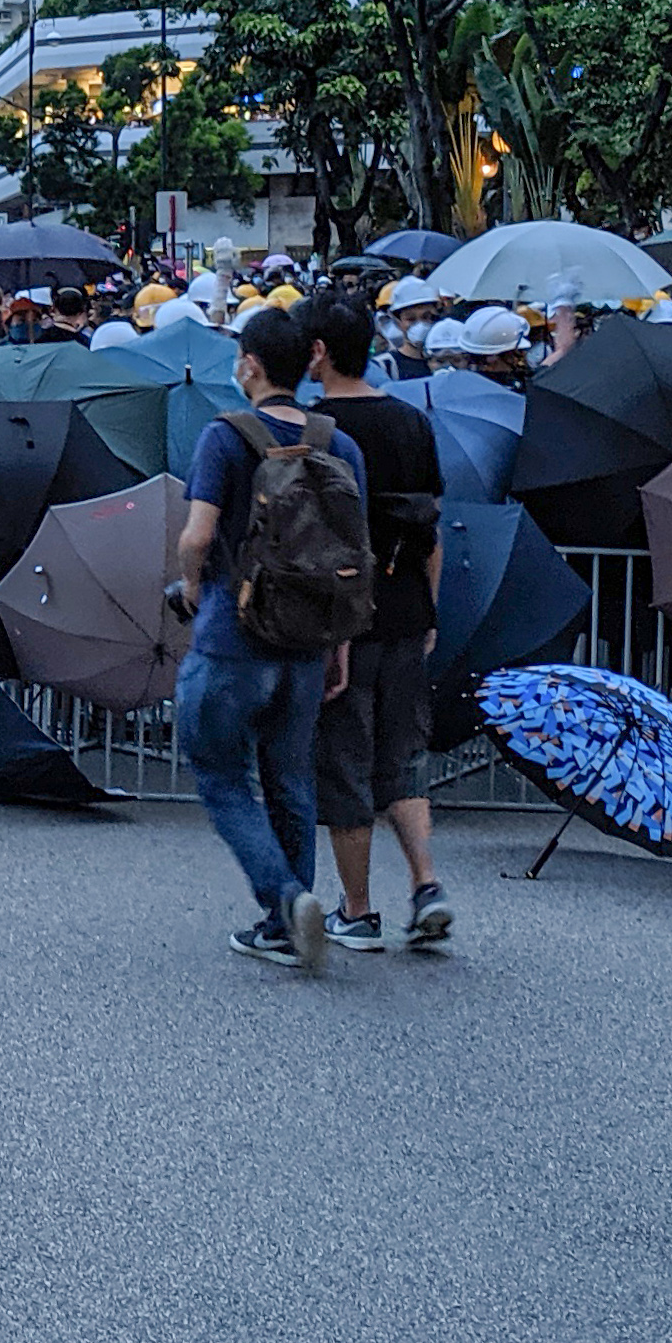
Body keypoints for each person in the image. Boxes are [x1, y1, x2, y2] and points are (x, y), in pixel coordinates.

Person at [160, 305, 371, 975]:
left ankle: (282, 900)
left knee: (221, 775)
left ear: (249, 364)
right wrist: (339, 644)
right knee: (291, 778)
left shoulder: (226, 437)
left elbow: (198, 535)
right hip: (309, 639)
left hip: (234, 629)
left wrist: (191, 586)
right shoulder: (339, 443)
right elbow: (350, 556)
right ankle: (291, 918)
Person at [303, 294, 453, 952]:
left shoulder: (314, 431)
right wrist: (430, 609)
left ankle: (358, 909)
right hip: (406, 607)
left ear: (316, 352)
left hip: (341, 617)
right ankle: (426, 883)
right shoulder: (411, 422)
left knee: (344, 760)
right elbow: (433, 528)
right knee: (403, 754)